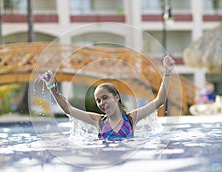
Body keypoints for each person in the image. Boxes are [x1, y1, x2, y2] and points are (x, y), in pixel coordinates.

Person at [40, 55, 175, 140]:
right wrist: (52, 89)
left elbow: (159, 101)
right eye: (98, 100)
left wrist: (167, 73)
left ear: (116, 97)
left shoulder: (131, 119)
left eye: (105, 97)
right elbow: (68, 110)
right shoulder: (98, 121)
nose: (101, 103)